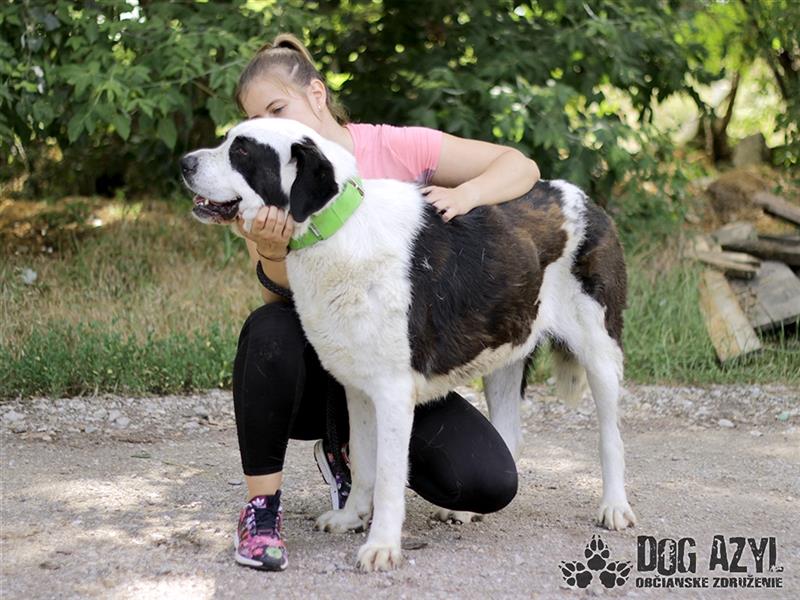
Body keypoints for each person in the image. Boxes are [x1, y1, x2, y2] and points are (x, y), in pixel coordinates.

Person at [229, 33, 541, 571]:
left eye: (278, 108)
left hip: (397, 363)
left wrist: (465, 194)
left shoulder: (392, 147)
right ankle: (264, 507)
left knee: (485, 482)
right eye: (257, 120)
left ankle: (359, 456)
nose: (269, 127)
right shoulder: (263, 174)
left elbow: (521, 168)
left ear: (318, 95)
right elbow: (276, 294)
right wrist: (271, 246)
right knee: (268, 331)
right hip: (320, 358)